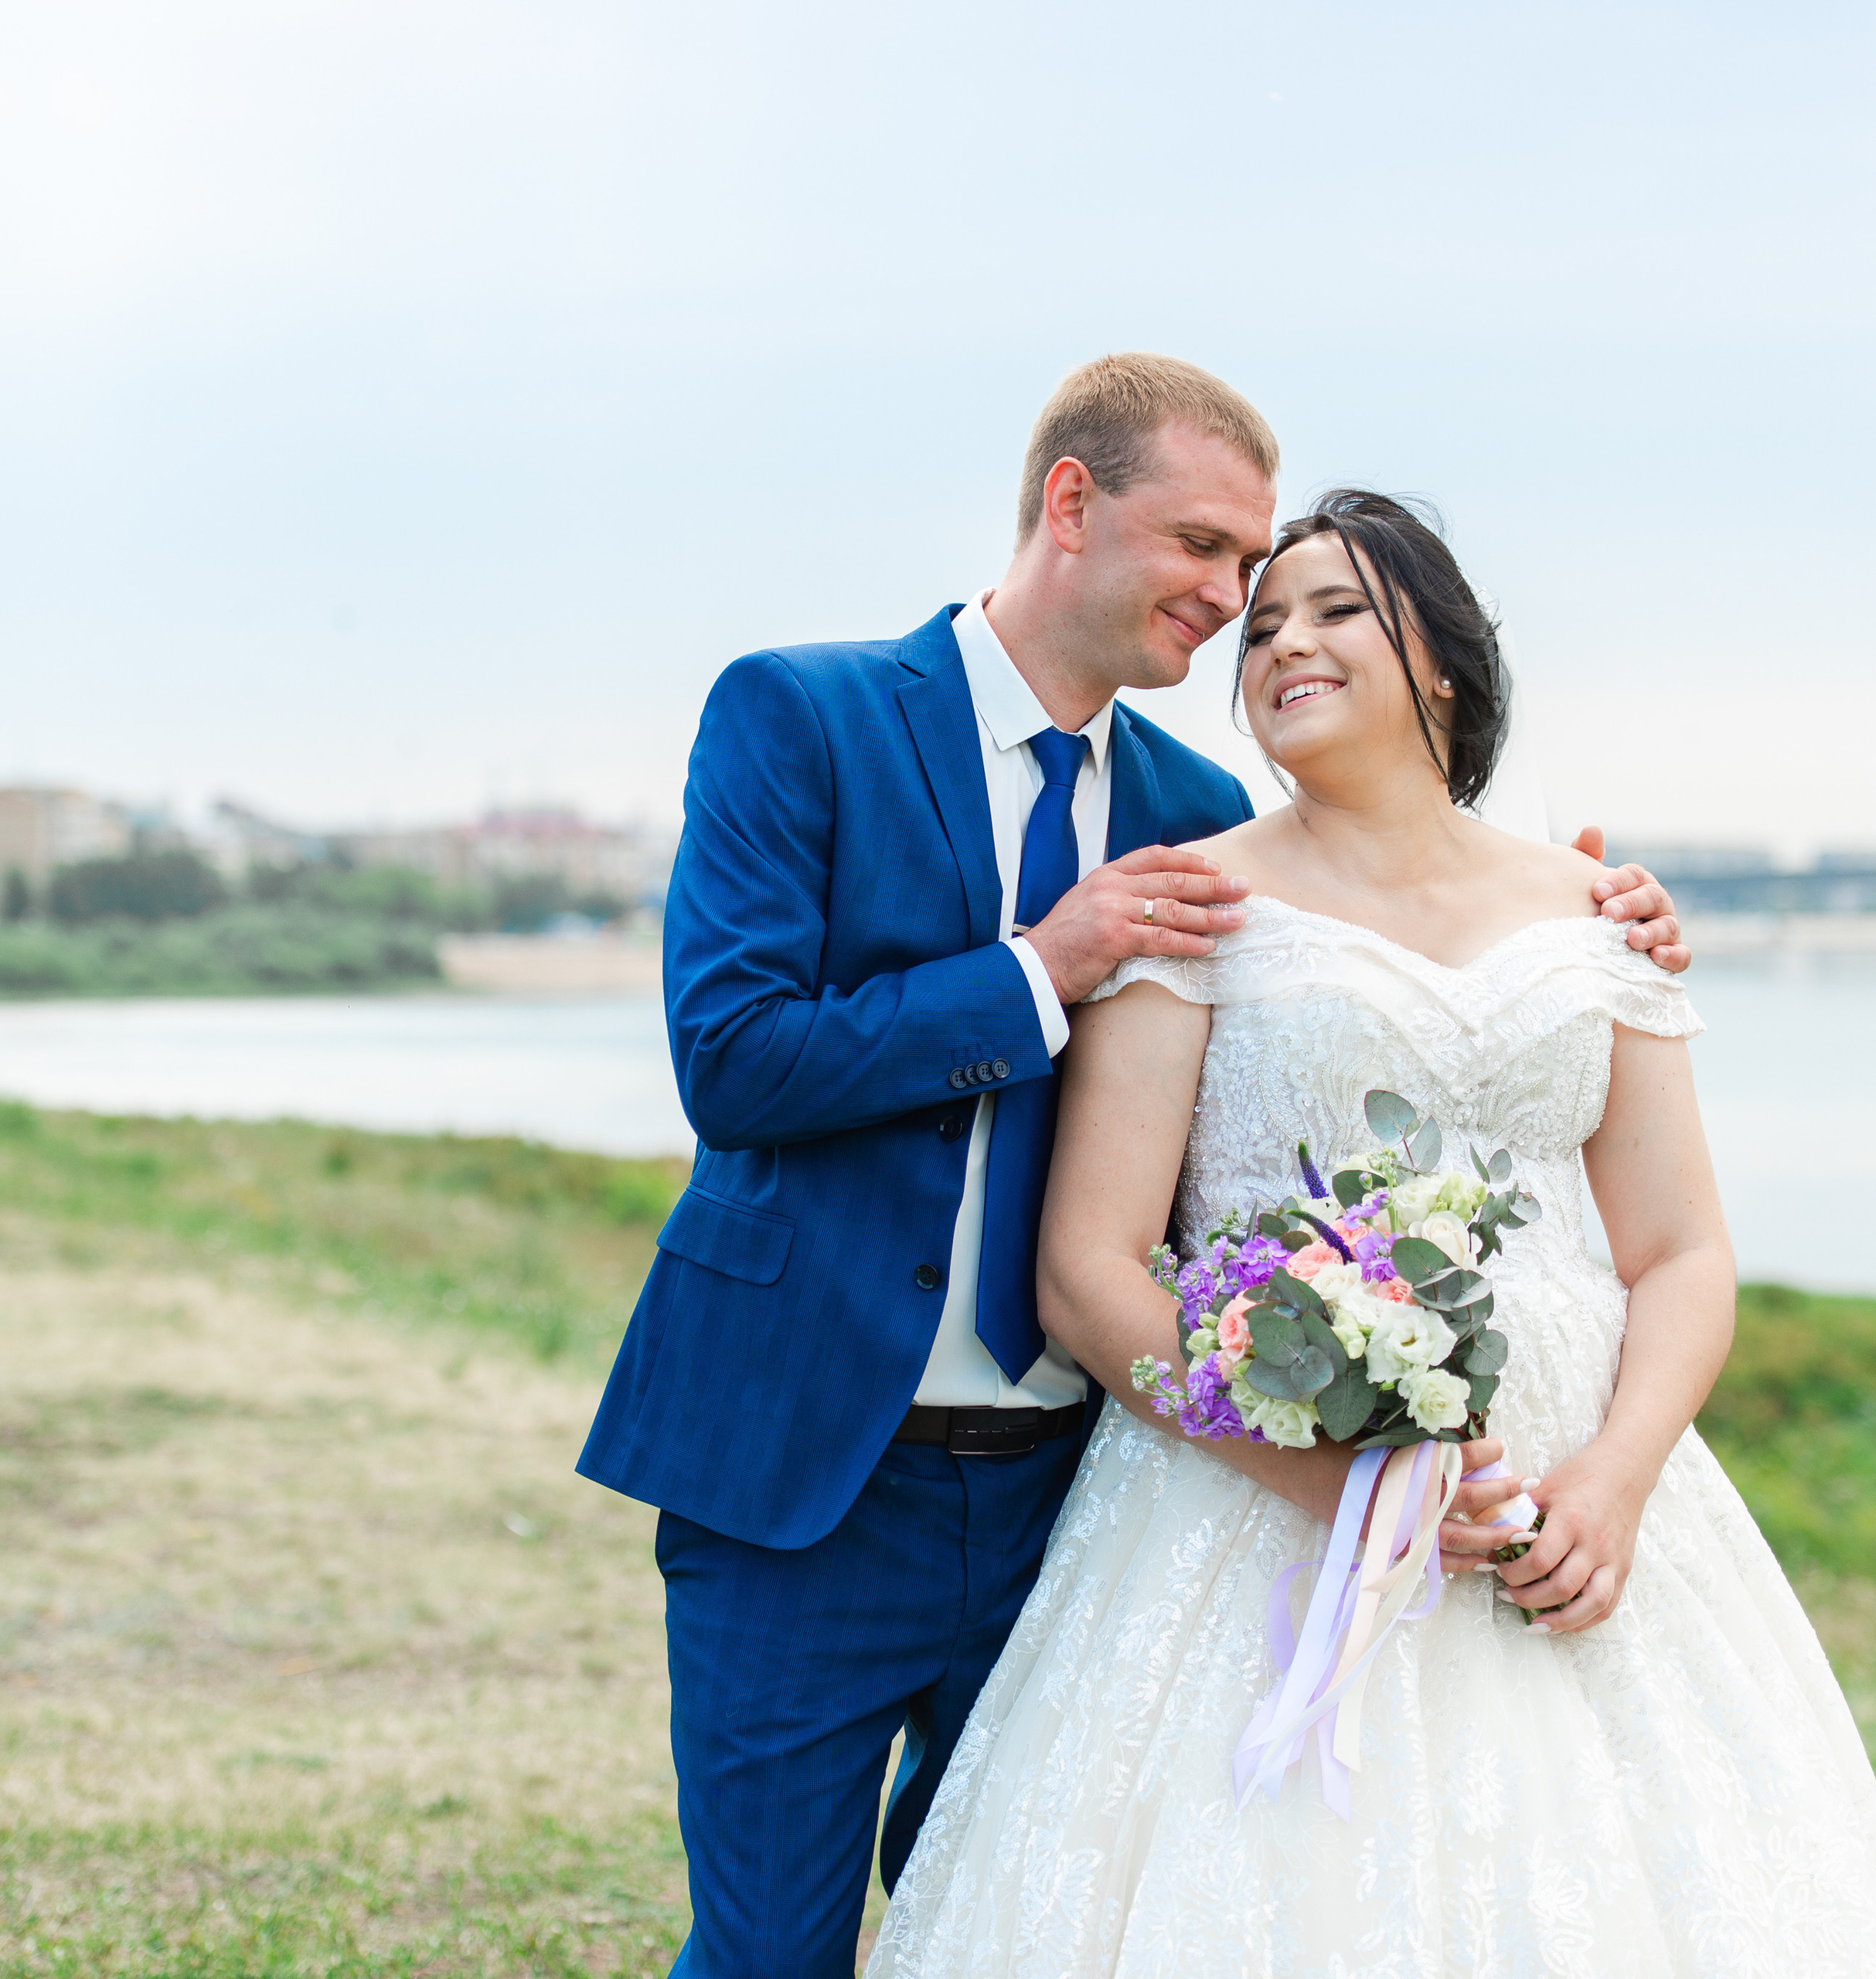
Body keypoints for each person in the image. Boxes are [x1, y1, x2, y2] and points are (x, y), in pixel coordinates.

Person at [577, 361, 1689, 1978]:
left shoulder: (1196, 810)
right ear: (1071, 503)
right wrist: (1043, 965)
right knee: (767, 1952)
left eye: (1252, 566)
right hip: (807, 1467)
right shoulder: (801, 714)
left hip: (1073, 1488)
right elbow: (733, 1060)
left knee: (995, 1931)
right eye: (1205, 548)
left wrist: (1587, 927)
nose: (1231, 600)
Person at [867, 491, 1875, 1977]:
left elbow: (1680, 1252)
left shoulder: (1599, 914)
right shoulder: (1195, 908)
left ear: (1445, 661)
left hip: (1567, 1487)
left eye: (1337, 609)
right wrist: (1341, 1489)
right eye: (1263, 626)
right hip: (1257, 1498)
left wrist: (1615, 1483)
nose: (1285, 642)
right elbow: (1088, 1274)